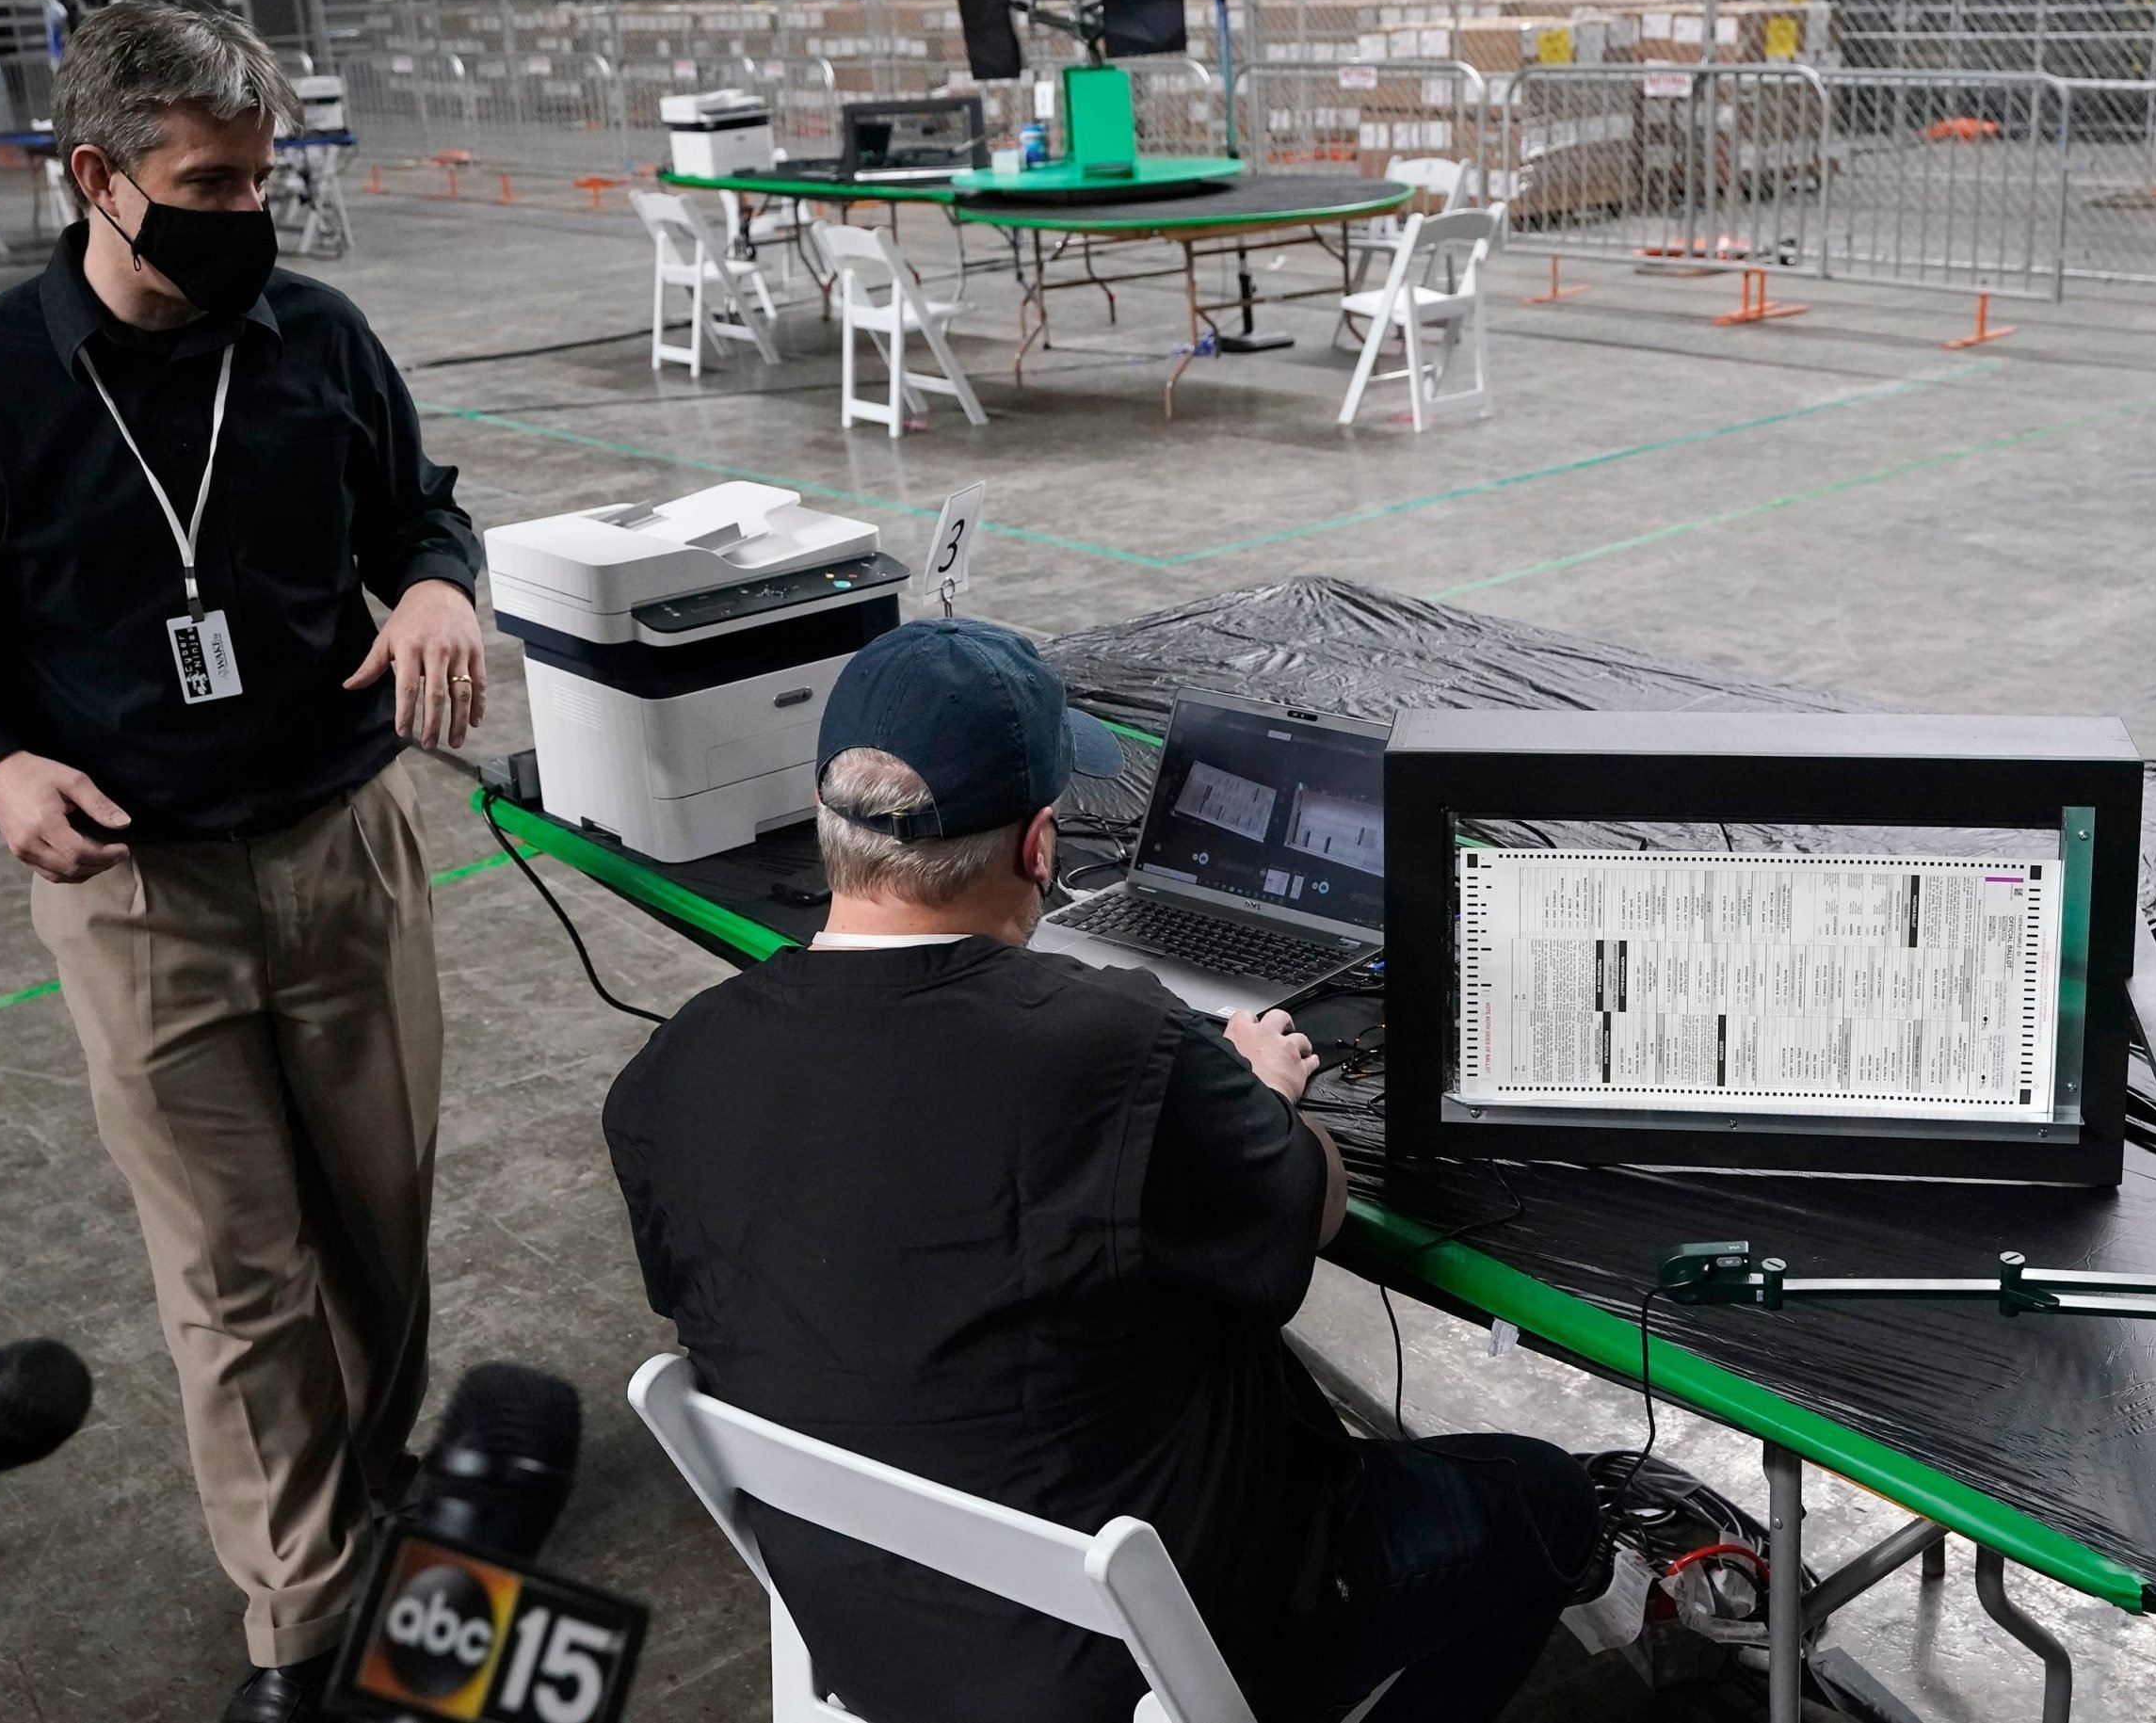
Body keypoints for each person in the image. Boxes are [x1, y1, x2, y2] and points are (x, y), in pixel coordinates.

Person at [603, 620, 1601, 1723]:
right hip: (1140, 1662)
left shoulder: (667, 1074)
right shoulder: (1110, 1048)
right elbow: (1300, 1207)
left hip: (873, 1629)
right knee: (1544, 1502)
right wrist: (1261, 1092)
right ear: (1039, 846)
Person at [0, 2, 484, 1723]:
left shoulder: (315, 341)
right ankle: (303, 1630)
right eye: (207, 183)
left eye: (262, 178)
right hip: (136, 892)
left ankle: (378, 1505)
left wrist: (441, 579)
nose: (246, 214)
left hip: (345, 852)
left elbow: (417, 512)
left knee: (379, 1236)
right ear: (97, 177)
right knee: (235, 1281)